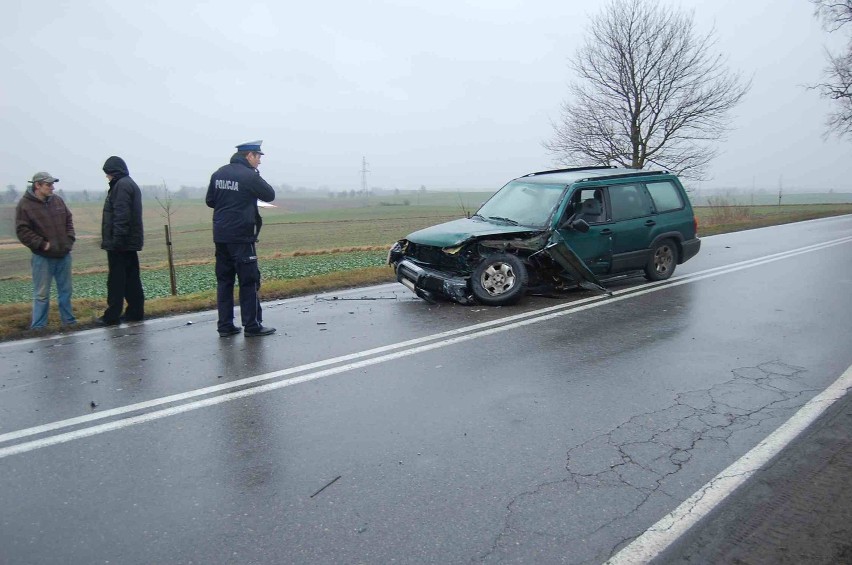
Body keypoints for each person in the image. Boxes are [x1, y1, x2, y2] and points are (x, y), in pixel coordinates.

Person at [206, 140, 276, 337]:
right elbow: (269, 194)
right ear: (249, 156)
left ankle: (225, 325)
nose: (260, 162)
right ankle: (252, 325)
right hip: (242, 236)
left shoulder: (219, 173)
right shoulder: (248, 175)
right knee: (249, 280)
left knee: (224, 281)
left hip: (220, 236)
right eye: (258, 157)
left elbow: (210, 200)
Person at [15, 172, 77, 329]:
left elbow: (69, 220)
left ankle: (69, 323)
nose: (52, 188)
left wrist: (69, 240)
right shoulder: (25, 205)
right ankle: (38, 328)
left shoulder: (57, 201)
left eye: (52, 184)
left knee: (66, 292)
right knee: (41, 295)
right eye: (49, 185)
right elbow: (22, 231)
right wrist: (42, 244)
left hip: (63, 254)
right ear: (38, 185)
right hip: (42, 258)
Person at [97, 156, 145, 326]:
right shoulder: (129, 184)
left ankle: (112, 315)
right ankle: (135, 312)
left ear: (113, 172)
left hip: (121, 243)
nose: (107, 177)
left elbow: (121, 215)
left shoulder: (121, 186)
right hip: (130, 242)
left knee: (116, 281)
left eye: (107, 173)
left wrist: (117, 240)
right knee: (132, 278)